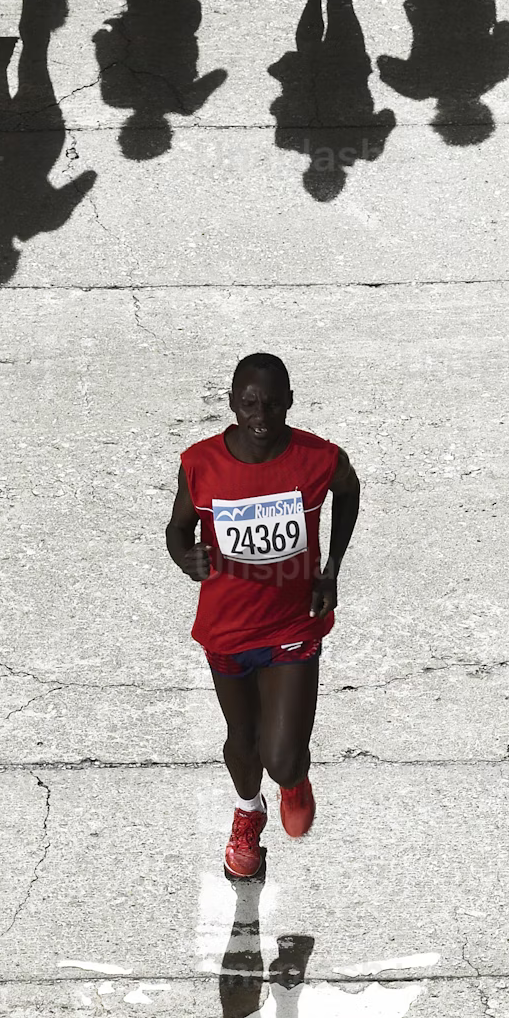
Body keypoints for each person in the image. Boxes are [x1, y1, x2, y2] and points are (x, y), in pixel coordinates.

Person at [166, 354, 361, 879]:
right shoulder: (200, 464)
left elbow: (349, 490)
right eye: (249, 402)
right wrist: (187, 559)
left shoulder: (318, 458)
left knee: (281, 755)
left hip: (293, 626)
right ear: (231, 403)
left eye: (272, 403)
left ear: (290, 402)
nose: (261, 414)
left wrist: (332, 567)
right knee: (241, 741)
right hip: (226, 631)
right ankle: (247, 814)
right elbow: (177, 531)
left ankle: (293, 779)